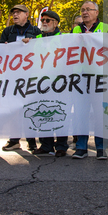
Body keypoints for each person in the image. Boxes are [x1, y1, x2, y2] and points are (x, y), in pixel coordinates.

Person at [71, 1, 108, 159]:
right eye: (82, 10)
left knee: (100, 113)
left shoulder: (107, 28)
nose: (85, 12)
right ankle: (81, 147)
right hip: (80, 77)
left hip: (99, 77)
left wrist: (94, 39)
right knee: (81, 113)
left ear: (96, 12)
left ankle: (101, 148)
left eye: (88, 9)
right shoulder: (76, 29)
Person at [25, 10, 70, 157]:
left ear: (56, 23)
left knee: (60, 112)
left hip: (60, 83)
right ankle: (46, 145)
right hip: (40, 84)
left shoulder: (65, 38)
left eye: (48, 20)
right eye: (42, 20)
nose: (44, 22)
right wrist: (24, 44)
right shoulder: (35, 39)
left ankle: (62, 145)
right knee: (43, 113)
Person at [0, 5, 41, 152]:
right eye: (13, 13)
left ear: (26, 14)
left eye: (18, 12)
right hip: (12, 77)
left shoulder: (36, 31)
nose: (15, 15)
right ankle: (14, 140)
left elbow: (42, 50)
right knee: (13, 109)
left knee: (30, 107)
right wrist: (3, 47)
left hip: (30, 76)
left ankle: (32, 141)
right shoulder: (7, 31)